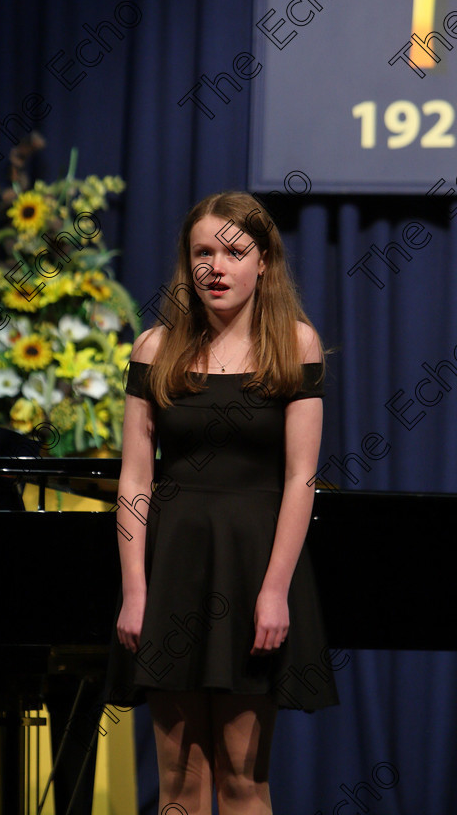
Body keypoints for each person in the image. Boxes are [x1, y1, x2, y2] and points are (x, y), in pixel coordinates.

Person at [102, 191, 339, 814]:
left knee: (241, 781)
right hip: (173, 566)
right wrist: (135, 591)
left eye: (234, 251)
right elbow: (134, 480)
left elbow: (300, 478)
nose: (216, 265)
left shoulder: (295, 344)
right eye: (203, 252)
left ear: (264, 262)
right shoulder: (154, 349)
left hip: (252, 569)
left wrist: (274, 589)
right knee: (179, 784)